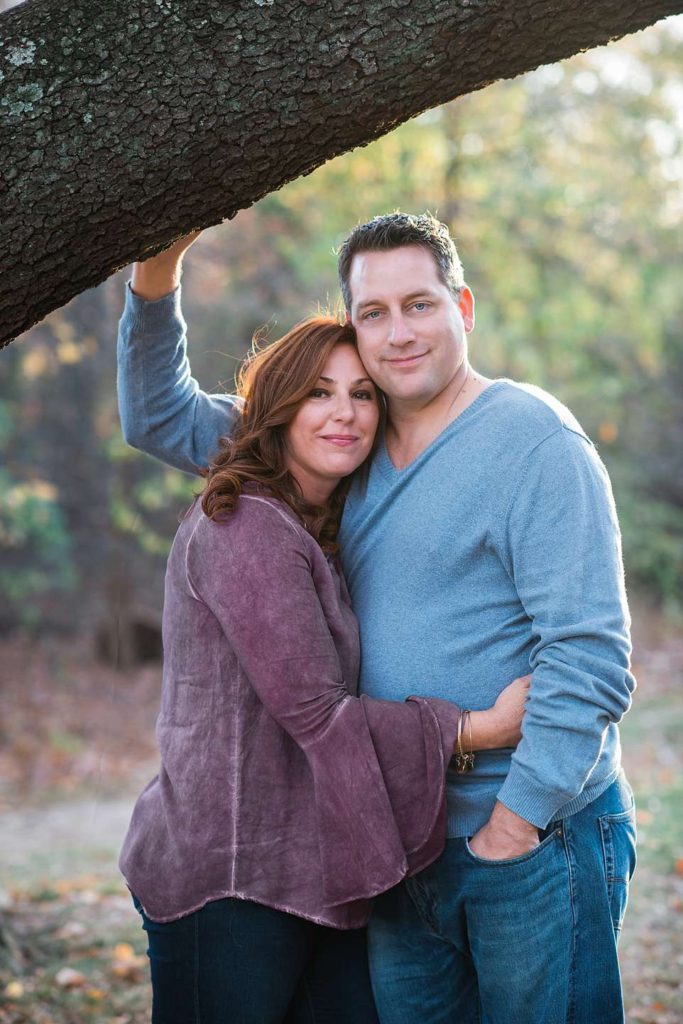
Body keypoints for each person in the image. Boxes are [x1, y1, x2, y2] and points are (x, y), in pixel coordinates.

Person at [117, 212, 637, 1024]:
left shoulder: (533, 441)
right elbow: (157, 417)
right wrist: (157, 275)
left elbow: (590, 654)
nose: (398, 333)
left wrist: (515, 822)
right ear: (353, 328)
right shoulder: (343, 437)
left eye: (419, 305)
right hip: (397, 841)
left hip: (528, 839)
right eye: (374, 313)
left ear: (461, 309)